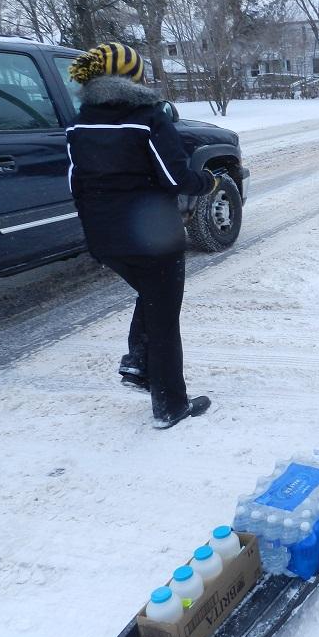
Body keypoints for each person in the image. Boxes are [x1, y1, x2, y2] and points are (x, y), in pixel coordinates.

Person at [66, 43, 215, 429]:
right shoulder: (148, 119)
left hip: (105, 240)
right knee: (164, 315)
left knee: (150, 296)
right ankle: (170, 406)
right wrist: (208, 180)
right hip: (153, 238)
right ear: (133, 77)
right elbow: (175, 177)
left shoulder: (81, 123)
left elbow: (74, 183)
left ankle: (139, 365)